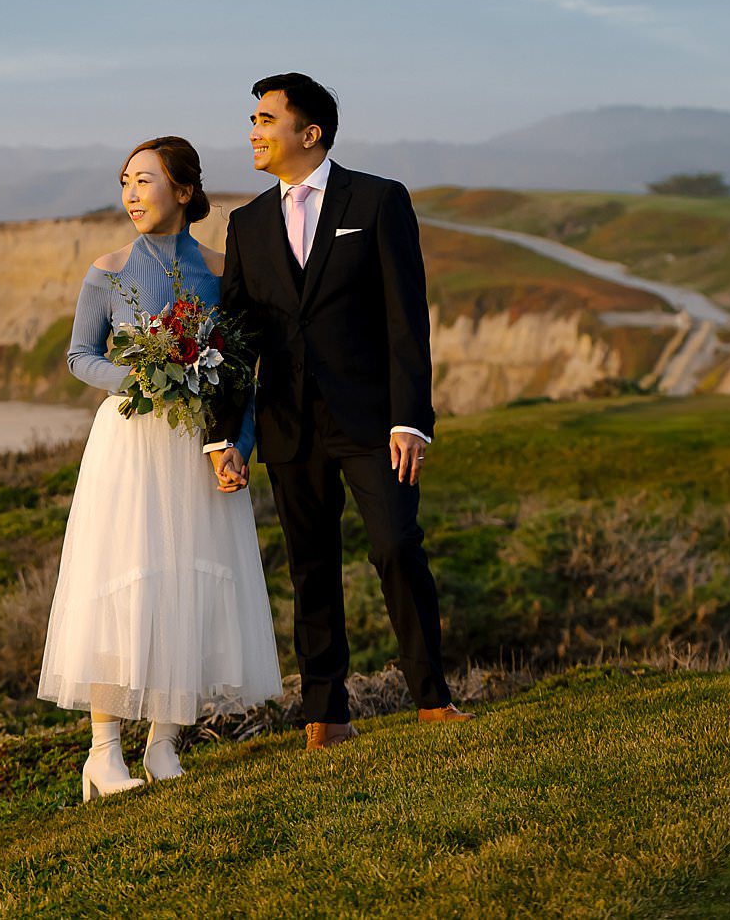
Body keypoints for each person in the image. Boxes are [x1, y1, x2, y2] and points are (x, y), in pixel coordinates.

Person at [205, 72, 474, 750]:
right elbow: (235, 341)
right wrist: (223, 435)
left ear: (309, 132)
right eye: (253, 119)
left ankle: (431, 695)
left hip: (372, 420)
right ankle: (326, 711)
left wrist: (411, 418)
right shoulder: (247, 223)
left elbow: (406, 320)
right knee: (310, 565)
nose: (254, 131)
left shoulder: (379, 201)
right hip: (288, 426)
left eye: (266, 119)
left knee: (395, 545)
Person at [37, 135, 283, 801]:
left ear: (182, 189)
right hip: (130, 441)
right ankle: (103, 751)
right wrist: (141, 376)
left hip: (197, 444)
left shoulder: (221, 270)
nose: (131, 194)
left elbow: (241, 373)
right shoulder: (107, 269)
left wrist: (241, 443)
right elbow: (79, 355)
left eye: (145, 181)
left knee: (189, 582)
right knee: (127, 581)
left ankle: (165, 743)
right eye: (125, 182)